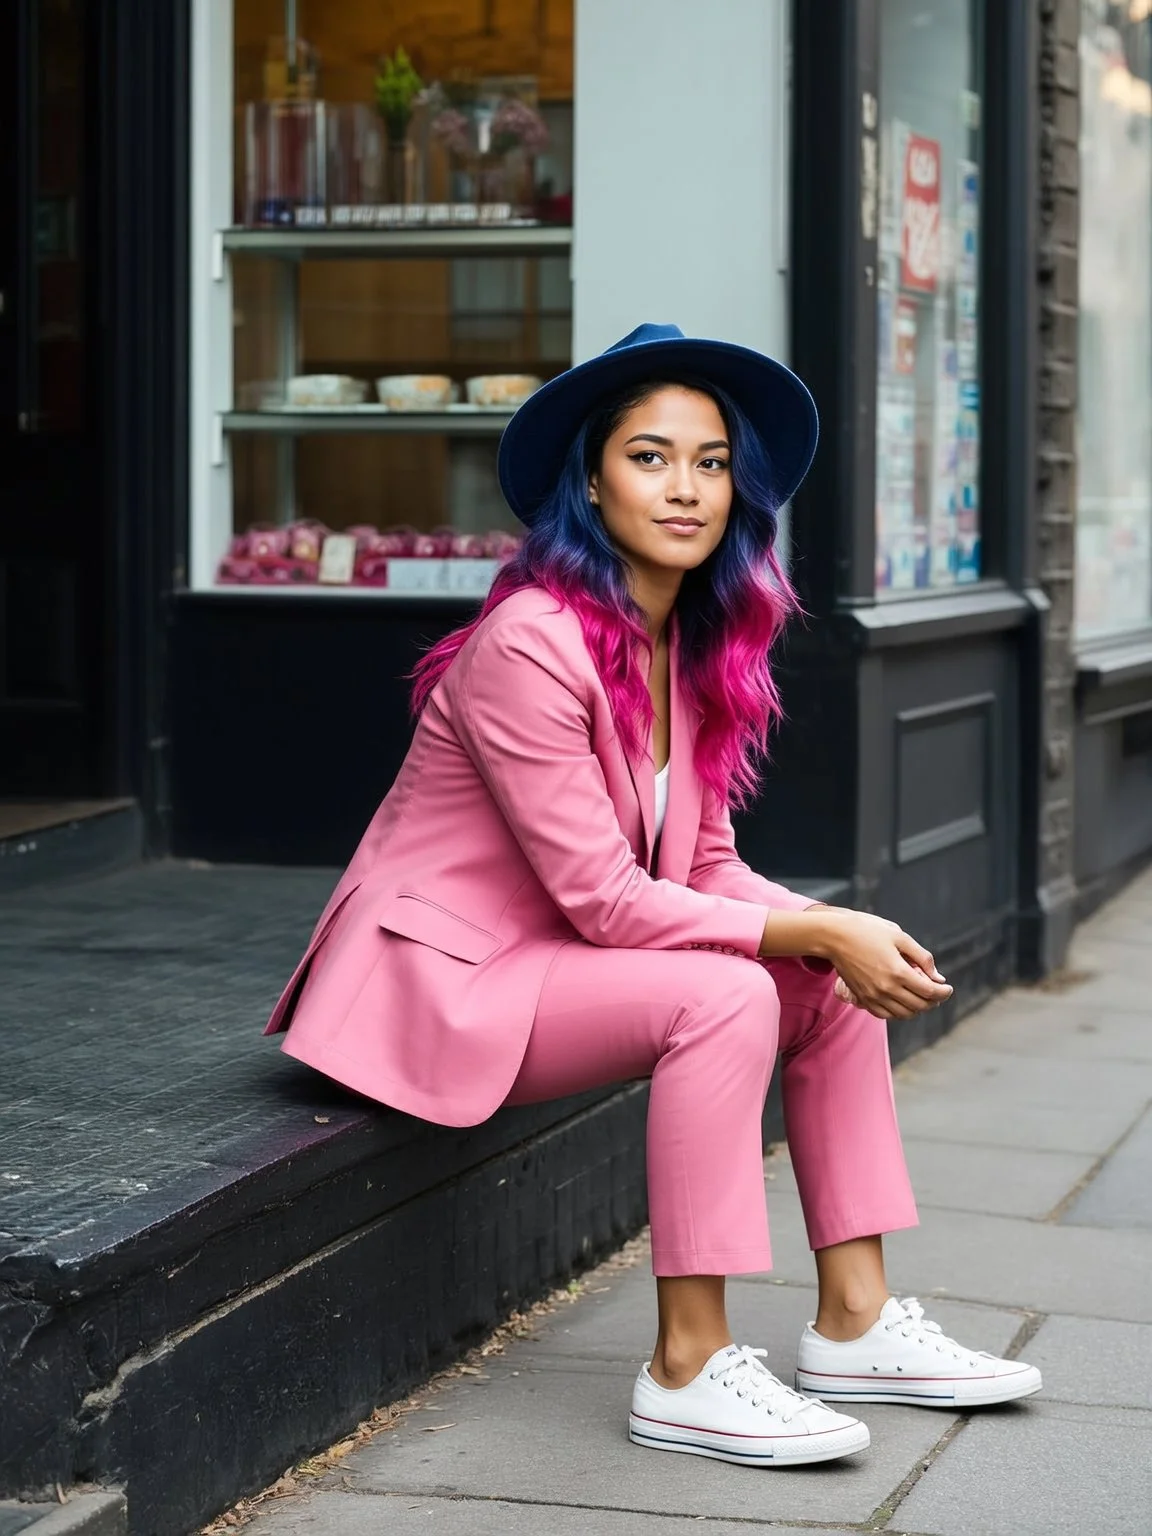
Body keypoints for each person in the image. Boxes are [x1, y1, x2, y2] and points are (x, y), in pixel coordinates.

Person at [264, 323, 1042, 1469]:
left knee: (818, 986)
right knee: (724, 1000)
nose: (686, 488)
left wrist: (838, 939)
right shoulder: (530, 645)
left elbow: (707, 869)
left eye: (712, 462)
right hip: (445, 983)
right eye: (649, 456)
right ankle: (686, 1366)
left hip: (561, 965)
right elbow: (606, 900)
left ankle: (859, 1323)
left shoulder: (695, 646)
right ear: (589, 479)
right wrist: (820, 921)